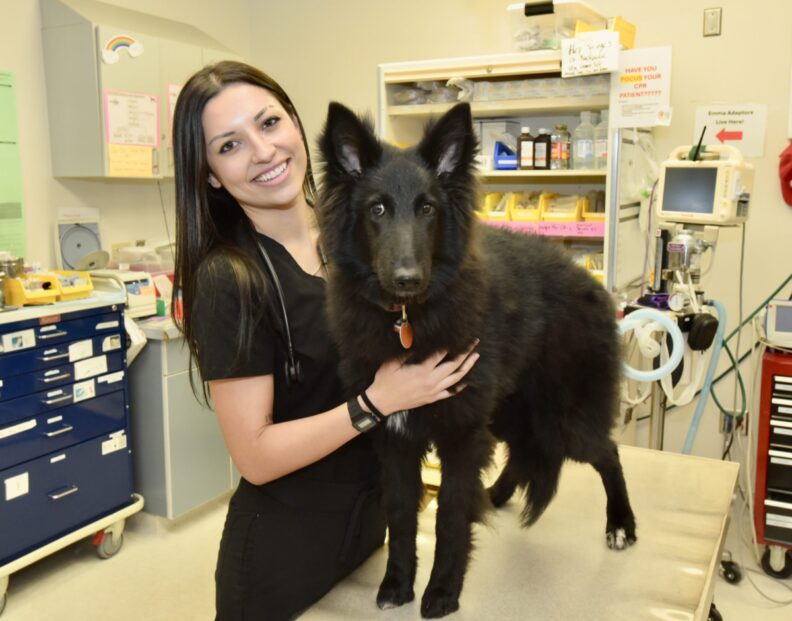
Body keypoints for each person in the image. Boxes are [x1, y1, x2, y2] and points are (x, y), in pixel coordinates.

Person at [171, 60, 479, 621]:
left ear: (295, 123)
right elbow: (255, 457)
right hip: (281, 563)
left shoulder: (357, 241)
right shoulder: (229, 280)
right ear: (211, 173)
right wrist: (377, 402)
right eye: (230, 145)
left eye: (268, 124)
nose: (262, 152)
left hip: (366, 540)